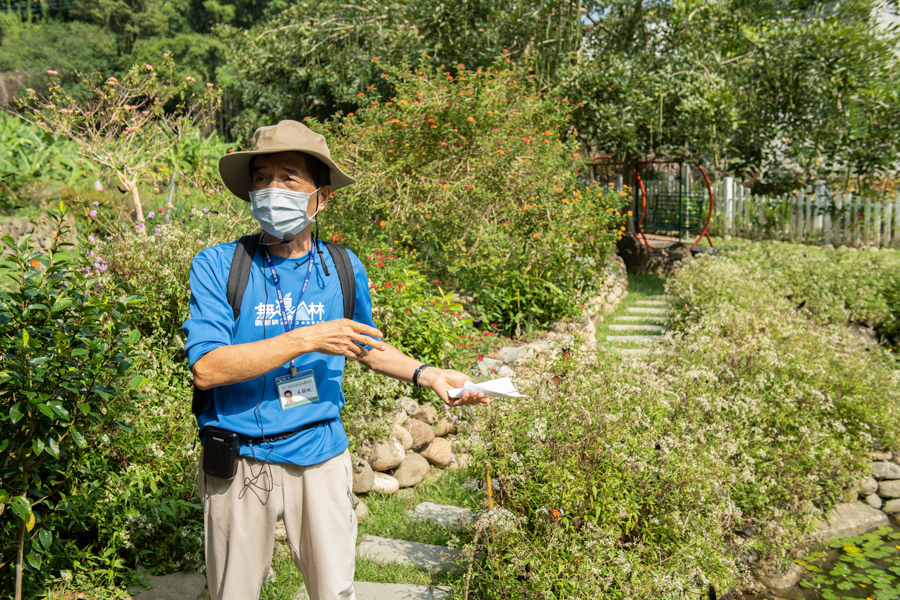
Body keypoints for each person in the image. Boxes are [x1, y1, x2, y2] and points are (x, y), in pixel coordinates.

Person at [183, 120, 488, 600]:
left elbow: (363, 344)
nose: (270, 189)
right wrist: (306, 338)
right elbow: (208, 368)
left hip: (320, 455)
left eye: (288, 177)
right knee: (232, 594)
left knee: (334, 592)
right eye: (261, 178)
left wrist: (429, 375)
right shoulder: (219, 265)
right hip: (239, 460)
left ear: (322, 197)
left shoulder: (343, 267)